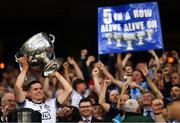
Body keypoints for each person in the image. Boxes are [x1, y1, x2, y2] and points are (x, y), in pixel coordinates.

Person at [14, 57, 72, 123]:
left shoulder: (52, 103)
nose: (39, 91)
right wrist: (25, 68)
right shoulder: (24, 104)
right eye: (35, 89)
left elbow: (69, 90)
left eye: (40, 88)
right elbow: (17, 86)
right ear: (29, 93)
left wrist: (56, 73)